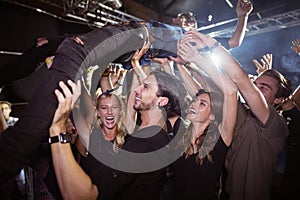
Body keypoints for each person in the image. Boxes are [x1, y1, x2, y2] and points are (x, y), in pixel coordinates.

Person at [180, 31, 293, 200]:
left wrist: (211, 47)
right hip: (226, 192)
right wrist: (187, 65)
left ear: (278, 100)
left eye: (263, 88)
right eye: (256, 85)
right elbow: (205, 92)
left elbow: (240, 80)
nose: (256, 90)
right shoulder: (242, 112)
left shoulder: (276, 124)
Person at [162, 35, 238, 200]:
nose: (194, 104)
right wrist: (179, 64)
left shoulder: (220, 139)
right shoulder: (180, 131)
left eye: (202, 104)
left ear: (212, 116)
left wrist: (196, 59)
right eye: (195, 101)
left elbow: (231, 92)